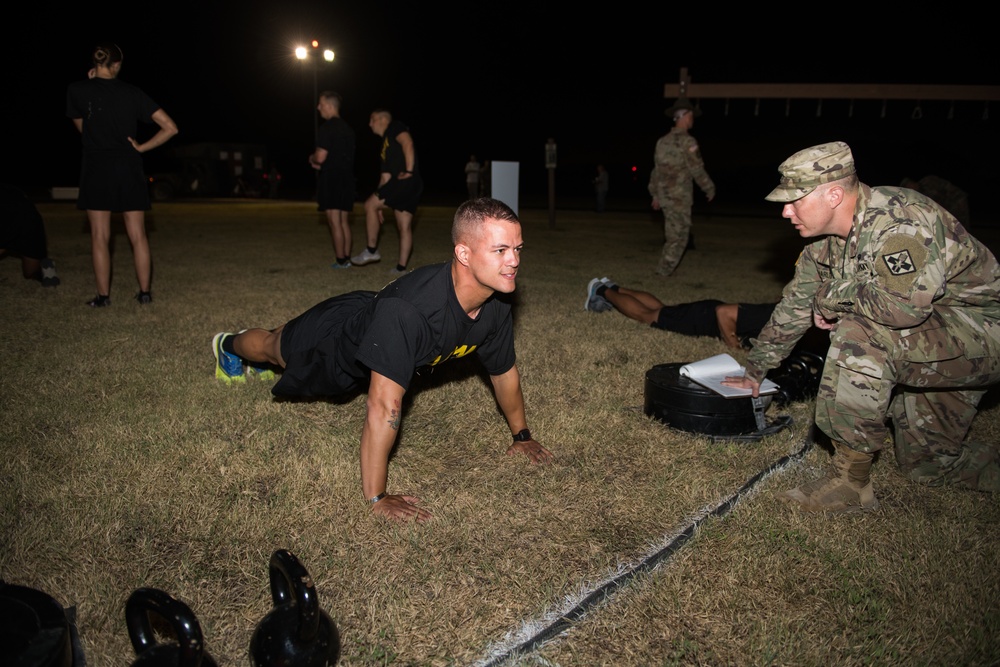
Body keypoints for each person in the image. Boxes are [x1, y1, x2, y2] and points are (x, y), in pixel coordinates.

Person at [211, 197, 553, 523]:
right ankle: (228, 344)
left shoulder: (496, 301)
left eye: (517, 249)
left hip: (374, 315)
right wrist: (377, 498)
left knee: (285, 338)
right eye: (501, 250)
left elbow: (504, 372)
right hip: (334, 341)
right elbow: (383, 407)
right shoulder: (409, 313)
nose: (514, 261)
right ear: (463, 253)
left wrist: (521, 436)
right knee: (274, 349)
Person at [722, 141, 1000, 513]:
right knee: (928, 466)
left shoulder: (901, 221)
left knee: (861, 333)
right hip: (935, 338)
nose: (786, 212)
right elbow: (795, 306)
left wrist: (832, 295)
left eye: (795, 200)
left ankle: (851, 486)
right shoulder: (823, 244)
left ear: (834, 194)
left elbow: (902, 310)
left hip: (982, 333)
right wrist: (756, 369)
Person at [66, 43, 179, 307]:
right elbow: (170, 127)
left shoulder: (77, 90)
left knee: (99, 236)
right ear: (116, 65)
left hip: (96, 167)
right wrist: (141, 147)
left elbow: (83, 127)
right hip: (128, 166)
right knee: (138, 235)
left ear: (95, 65)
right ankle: (145, 293)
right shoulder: (132, 93)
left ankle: (103, 297)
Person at [583, 277, 775, 350]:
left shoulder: (779, 312)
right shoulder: (772, 315)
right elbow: (724, 312)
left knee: (661, 310)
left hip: (703, 313)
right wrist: (733, 343)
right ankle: (601, 290)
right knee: (647, 316)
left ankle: (613, 287)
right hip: (703, 317)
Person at [648, 97, 715, 277]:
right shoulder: (688, 142)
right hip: (679, 197)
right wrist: (709, 188)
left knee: (673, 235)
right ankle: (663, 271)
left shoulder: (661, 142)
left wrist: (655, 194)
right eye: (691, 115)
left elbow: (656, 171)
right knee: (680, 237)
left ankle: (664, 270)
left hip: (665, 196)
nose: (693, 119)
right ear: (684, 116)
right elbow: (696, 169)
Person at [351, 109, 423, 275]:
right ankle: (401, 268)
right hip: (403, 183)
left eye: (372, 119)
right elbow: (384, 177)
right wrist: (378, 206)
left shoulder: (395, 127)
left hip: (405, 179)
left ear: (383, 119)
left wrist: (410, 171)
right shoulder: (385, 144)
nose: (370, 124)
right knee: (403, 225)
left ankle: (371, 250)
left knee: (369, 204)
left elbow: (408, 143)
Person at [309, 91, 356, 269]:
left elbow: (320, 157)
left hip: (333, 179)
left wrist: (312, 159)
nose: (318, 107)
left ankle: (341, 260)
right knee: (343, 220)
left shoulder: (327, 128)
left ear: (330, 105)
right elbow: (340, 157)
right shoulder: (348, 129)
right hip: (347, 178)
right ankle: (347, 258)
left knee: (334, 220)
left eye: (321, 104)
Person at [0, 183, 59, 287]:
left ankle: (45, 269)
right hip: (18, 210)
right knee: (29, 273)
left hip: (26, 219)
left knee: (30, 273)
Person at [900, 175, 970, 228]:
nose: (911, 187)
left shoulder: (928, 181)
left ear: (912, 182)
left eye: (910, 184)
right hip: (946, 207)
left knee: (961, 223)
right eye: (908, 187)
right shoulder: (919, 195)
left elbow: (946, 187)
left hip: (955, 199)